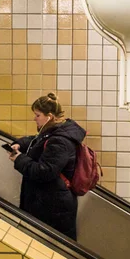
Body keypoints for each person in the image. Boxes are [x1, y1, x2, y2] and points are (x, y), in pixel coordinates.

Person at [8, 93, 85, 240]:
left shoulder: (60, 141)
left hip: (53, 208)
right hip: (47, 202)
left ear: (49, 116)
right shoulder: (53, 133)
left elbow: (45, 171)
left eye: (37, 115)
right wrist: (21, 144)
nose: (34, 118)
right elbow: (37, 140)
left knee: (55, 249)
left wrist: (19, 159)